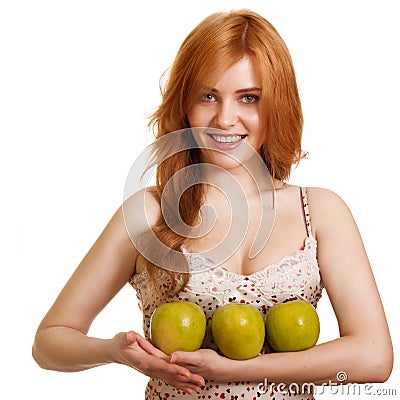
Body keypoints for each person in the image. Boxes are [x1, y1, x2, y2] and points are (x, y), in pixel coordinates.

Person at [32, 9, 393, 400]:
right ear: (184, 105)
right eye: (208, 96)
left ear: (278, 104)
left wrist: (241, 369)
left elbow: (373, 358)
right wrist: (116, 352)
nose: (225, 118)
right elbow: (49, 343)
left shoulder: (320, 212)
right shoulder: (148, 213)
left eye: (249, 98)